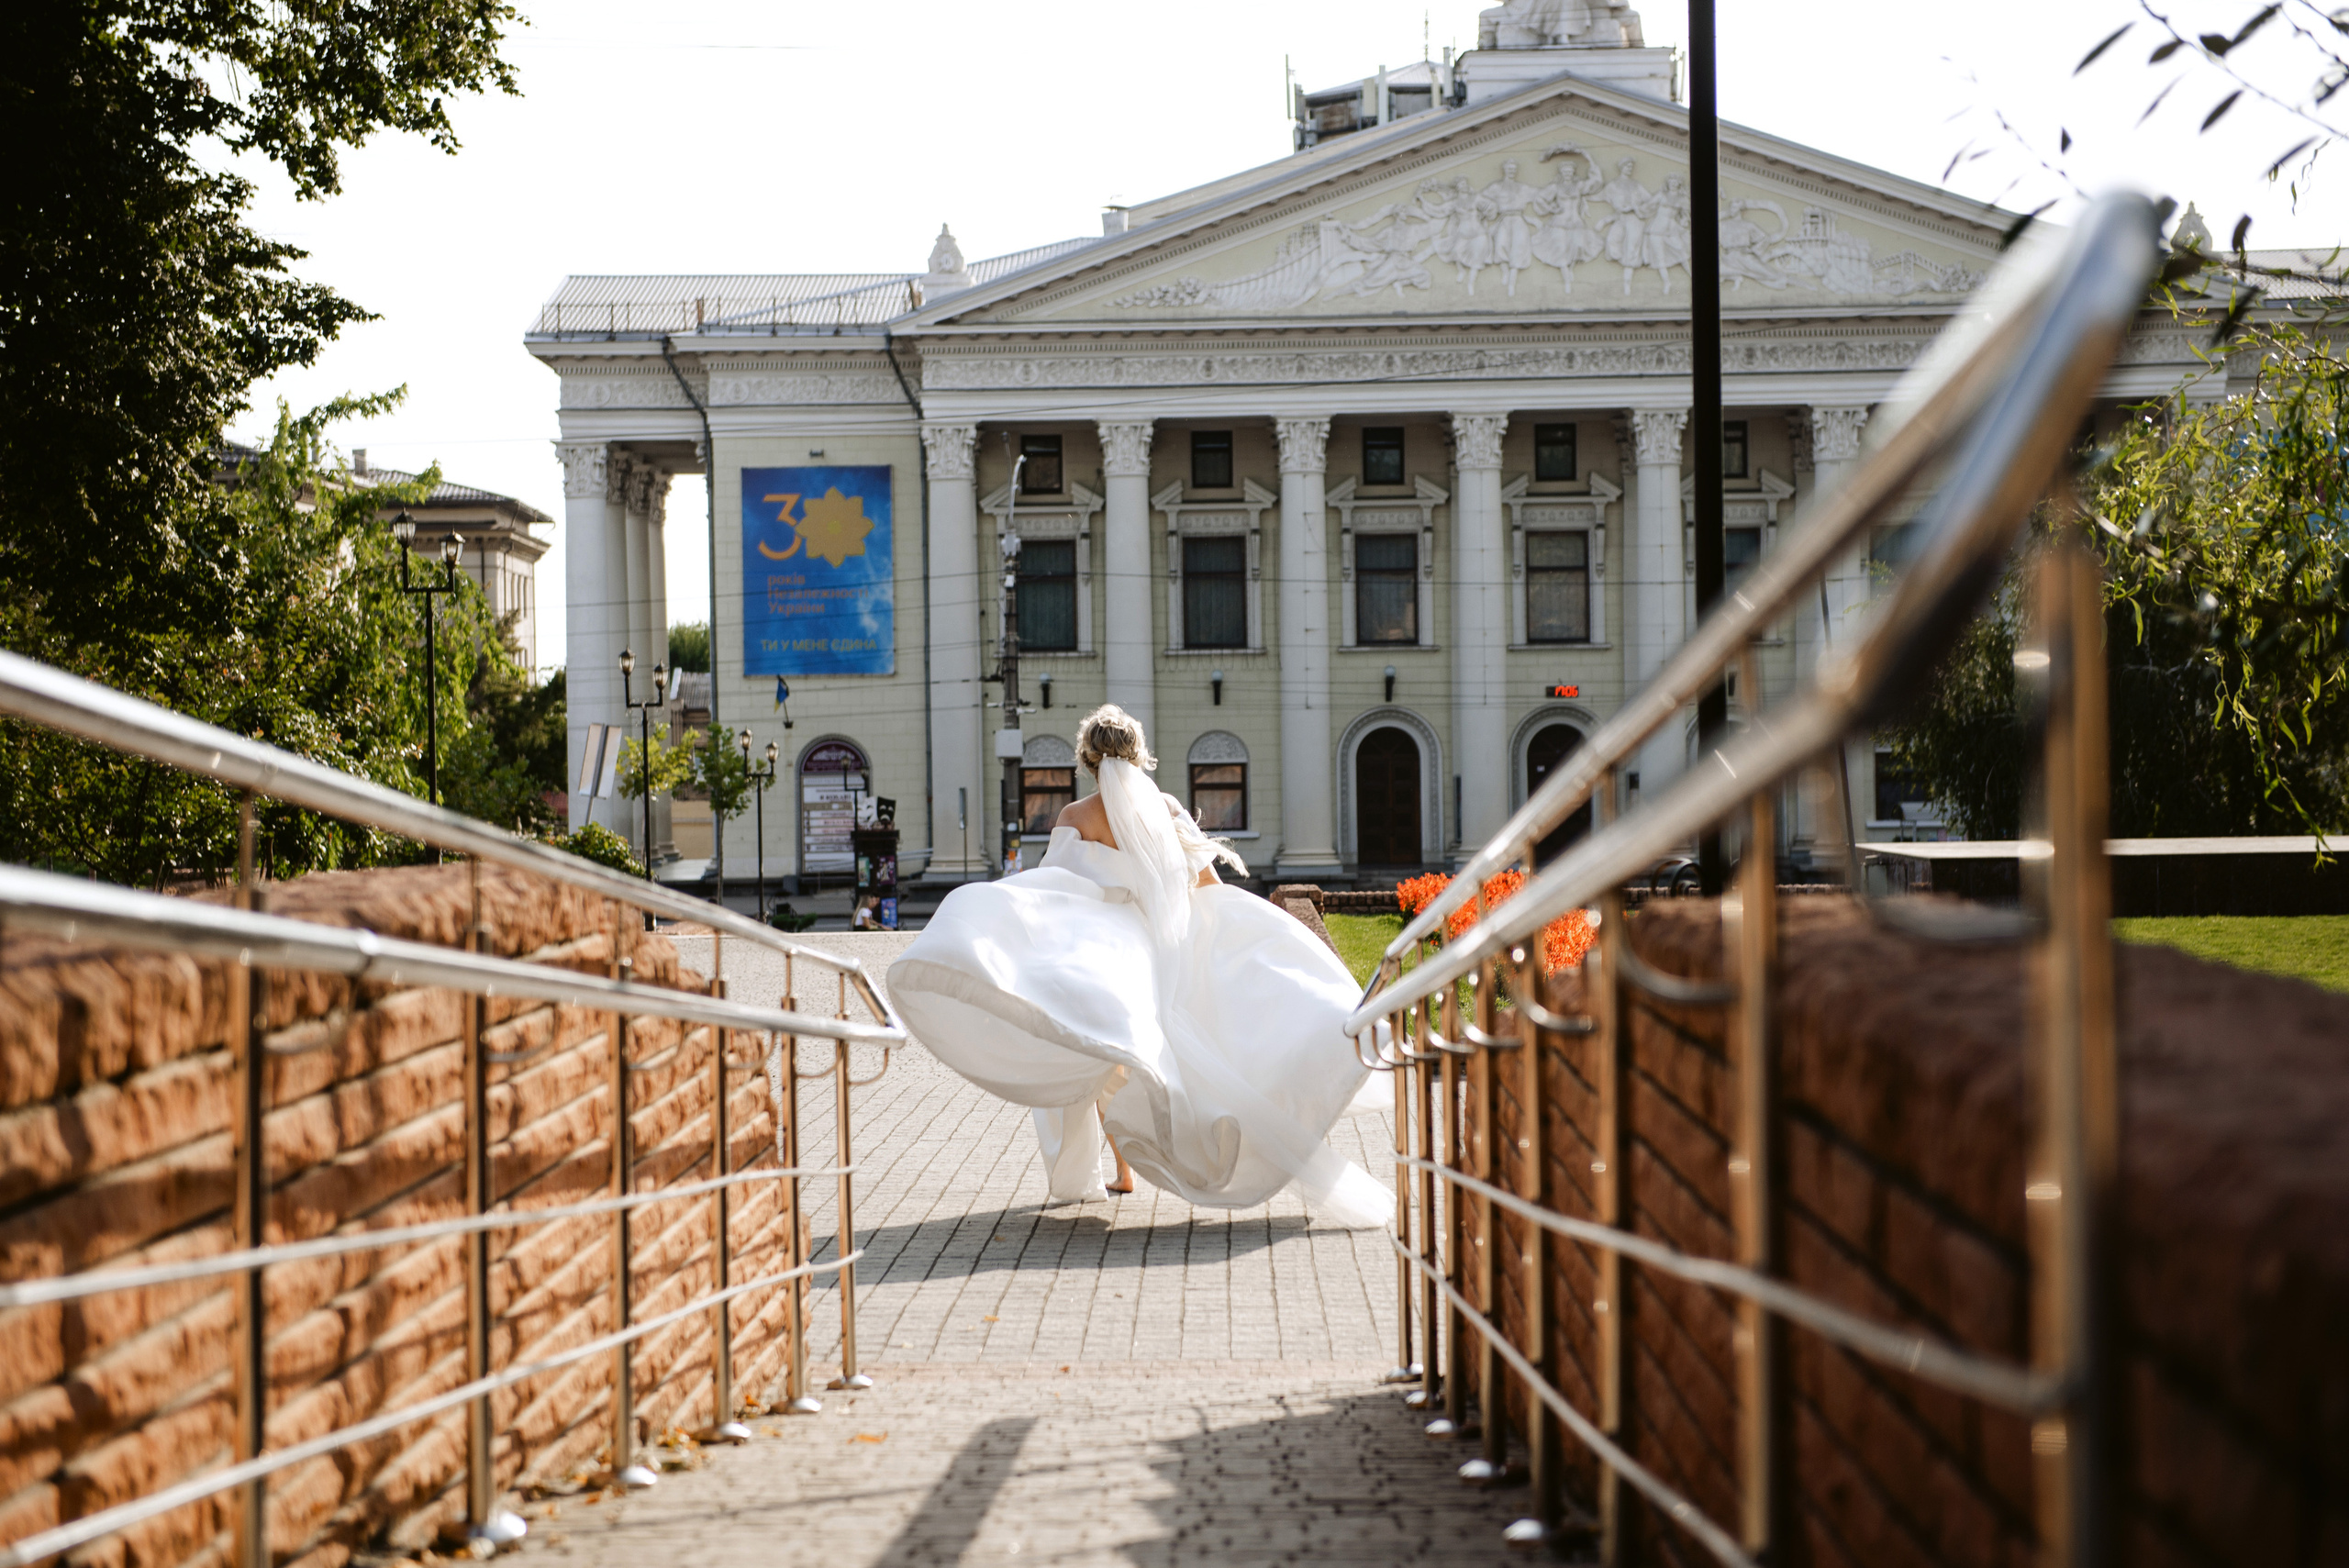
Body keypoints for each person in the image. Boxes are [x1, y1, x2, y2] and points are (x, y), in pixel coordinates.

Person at [886, 705, 1393, 1226]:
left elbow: (1053, 890)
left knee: (1100, 1058)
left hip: (1104, 952)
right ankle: (1151, 1158)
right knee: (1141, 1056)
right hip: (1163, 948)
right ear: (1138, 752)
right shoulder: (1167, 808)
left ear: (1087, 758)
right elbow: (1206, 886)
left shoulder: (1074, 818)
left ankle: (1119, 1169)